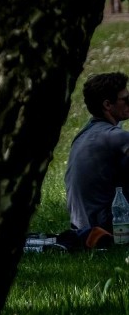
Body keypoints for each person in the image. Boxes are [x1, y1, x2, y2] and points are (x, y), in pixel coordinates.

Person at [64, 72, 129, 232]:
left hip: (81, 226)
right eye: (126, 100)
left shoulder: (84, 134)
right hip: (105, 226)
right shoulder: (115, 137)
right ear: (107, 105)